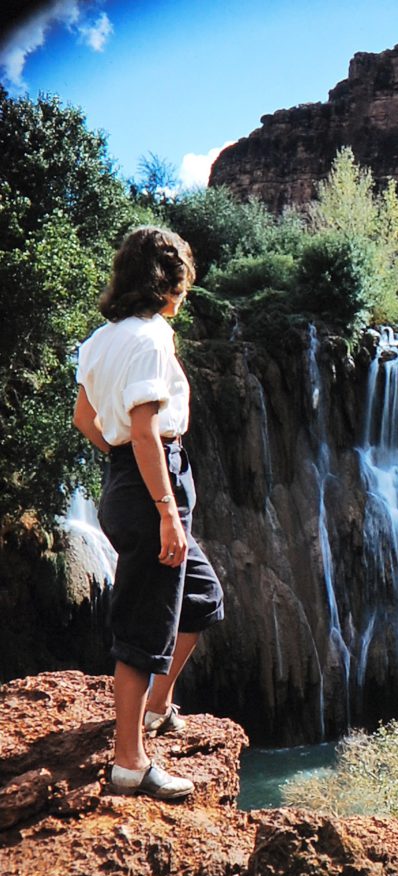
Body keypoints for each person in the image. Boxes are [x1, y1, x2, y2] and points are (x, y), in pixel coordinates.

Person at [73, 226, 224, 801]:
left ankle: (158, 705)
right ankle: (130, 763)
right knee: (144, 623)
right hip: (150, 483)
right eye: (183, 282)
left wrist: (123, 467)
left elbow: (86, 420)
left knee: (203, 597)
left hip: (126, 479)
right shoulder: (152, 338)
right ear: (167, 282)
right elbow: (144, 432)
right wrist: (163, 507)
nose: (184, 295)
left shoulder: (101, 340)